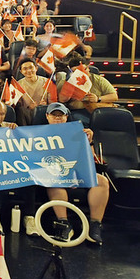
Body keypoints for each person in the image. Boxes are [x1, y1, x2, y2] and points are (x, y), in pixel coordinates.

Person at [44, 102, 108, 245]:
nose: (58, 118)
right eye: (54, 115)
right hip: (55, 173)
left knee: (102, 181)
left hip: (78, 171)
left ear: (66, 117)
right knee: (53, 182)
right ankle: (64, 224)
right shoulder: (39, 134)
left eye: (61, 115)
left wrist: (89, 142)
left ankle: (95, 226)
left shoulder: (78, 133)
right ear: (47, 116)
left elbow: (90, 161)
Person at [0, 101, 39, 236]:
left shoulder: (10, 127)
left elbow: (22, 148)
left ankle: (29, 217)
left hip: (12, 166)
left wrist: (17, 132)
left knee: (29, 176)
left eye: (2, 114)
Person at [58, 55, 118, 127]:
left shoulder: (98, 80)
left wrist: (98, 99)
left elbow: (114, 96)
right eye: (77, 71)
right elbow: (62, 100)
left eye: (84, 69)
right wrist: (70, 87)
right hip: (77, 111)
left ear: (88, 68)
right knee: (78, 119)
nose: (82, 73)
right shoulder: (66, 82)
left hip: (97, 109)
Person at [16, 58, 57, 125]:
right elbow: (18, 106)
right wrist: (29, 107)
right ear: (21, 71)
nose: (29, 71)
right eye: (25, 69)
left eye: (31, 67)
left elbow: (53, 103)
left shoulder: (48, 82)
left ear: (36, 68)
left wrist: (46, 105)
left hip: (45, 113)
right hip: (27, 116)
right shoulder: (17, 85)